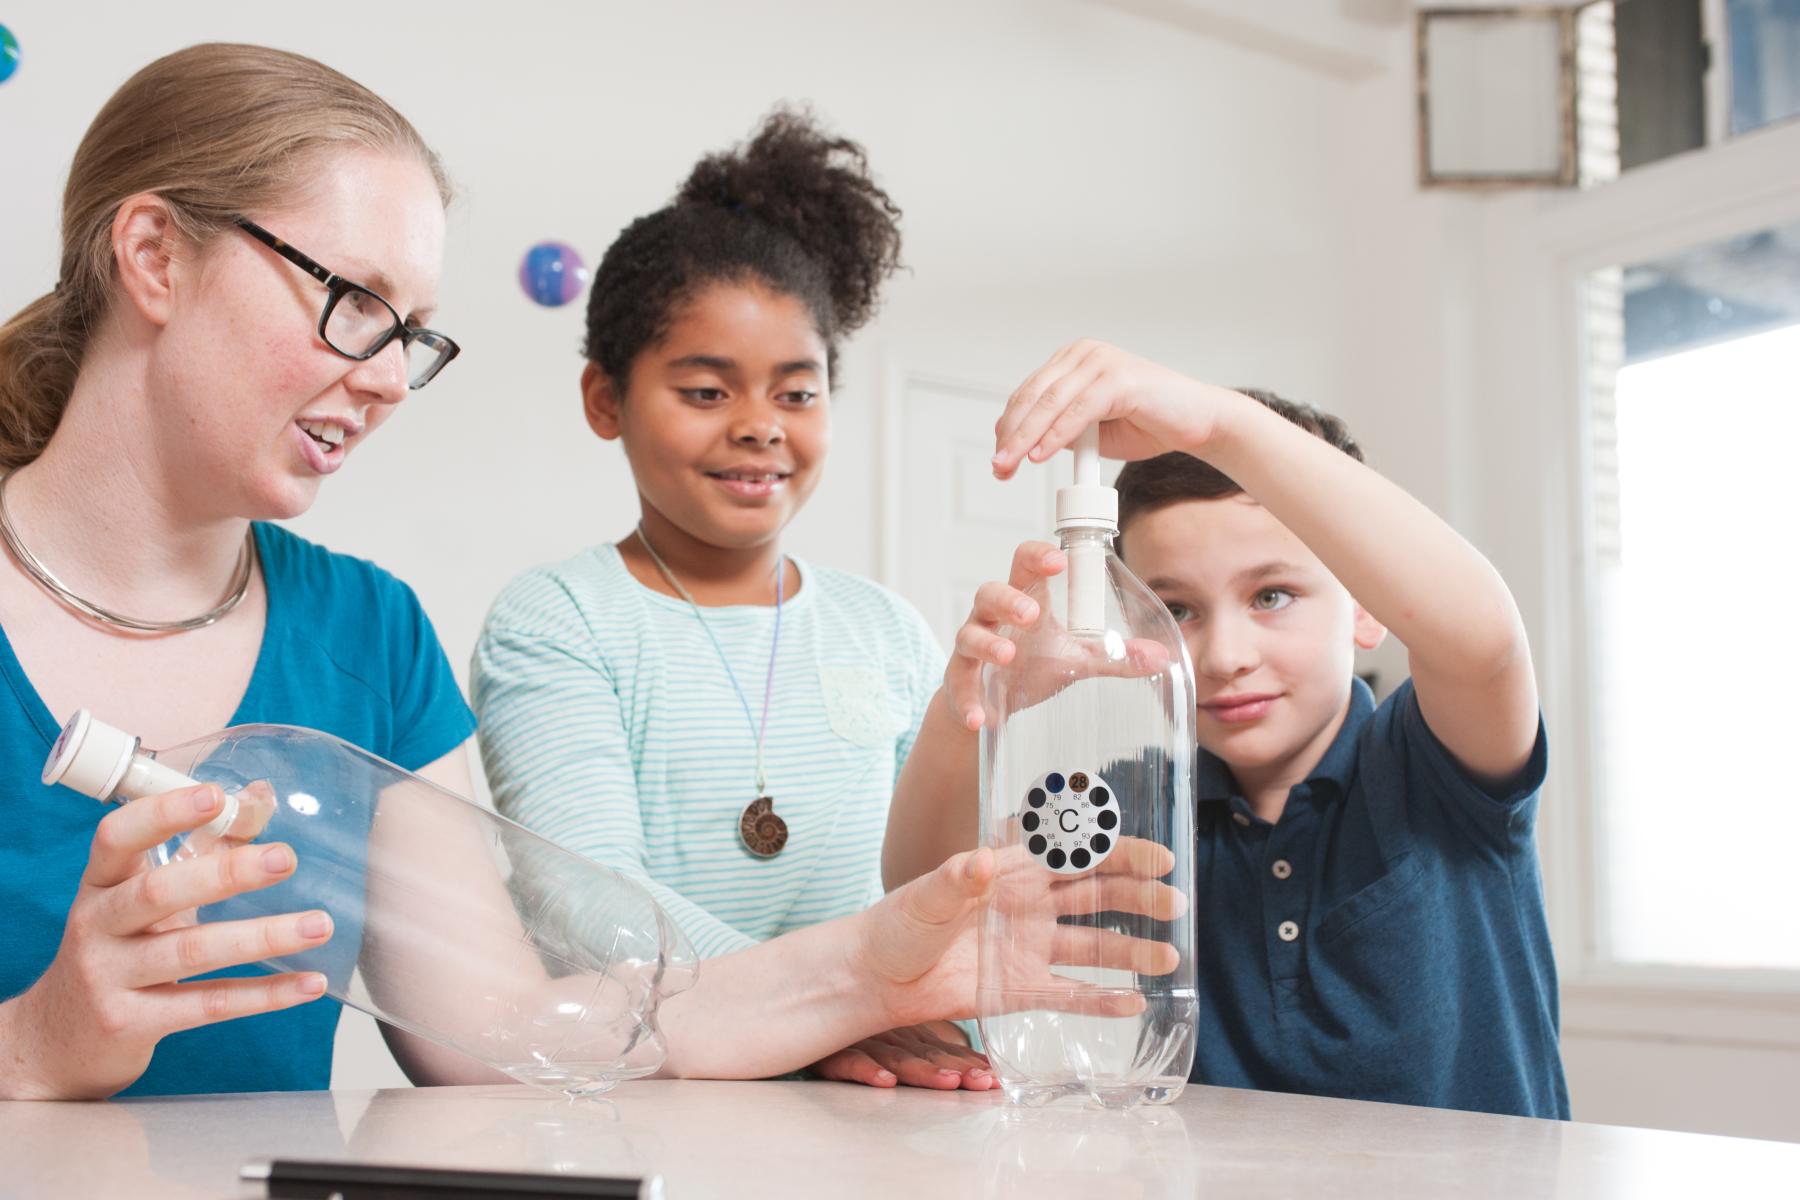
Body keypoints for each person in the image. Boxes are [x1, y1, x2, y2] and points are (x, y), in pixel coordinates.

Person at [0, 50, 1172, 1102]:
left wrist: (870, 967)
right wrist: (32, 1050)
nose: (391, 381)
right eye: (354, 305)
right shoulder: (556, 624)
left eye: (412, 334)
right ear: (153, 255)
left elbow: (502, 1027)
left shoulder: (369, 634)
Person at [886, 341, 1569, 1118]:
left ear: (1367, 604)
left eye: (1273, 595)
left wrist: (1219, 425)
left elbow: (1485, 645)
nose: (1226, 657)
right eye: (1177, 610)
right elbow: (926, 888)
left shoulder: (1434, 765)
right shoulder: (1140, 805)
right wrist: (966, 708)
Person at [472, 109, 991, 1090]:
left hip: (885, 1103)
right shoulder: (556, 619)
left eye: (796, 393)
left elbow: (938, 880)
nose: (761, 428)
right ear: (605, 400)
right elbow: (585, 902)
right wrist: (833, 1007)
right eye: (708, 392)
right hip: (661, 1104)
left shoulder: (886, 630)